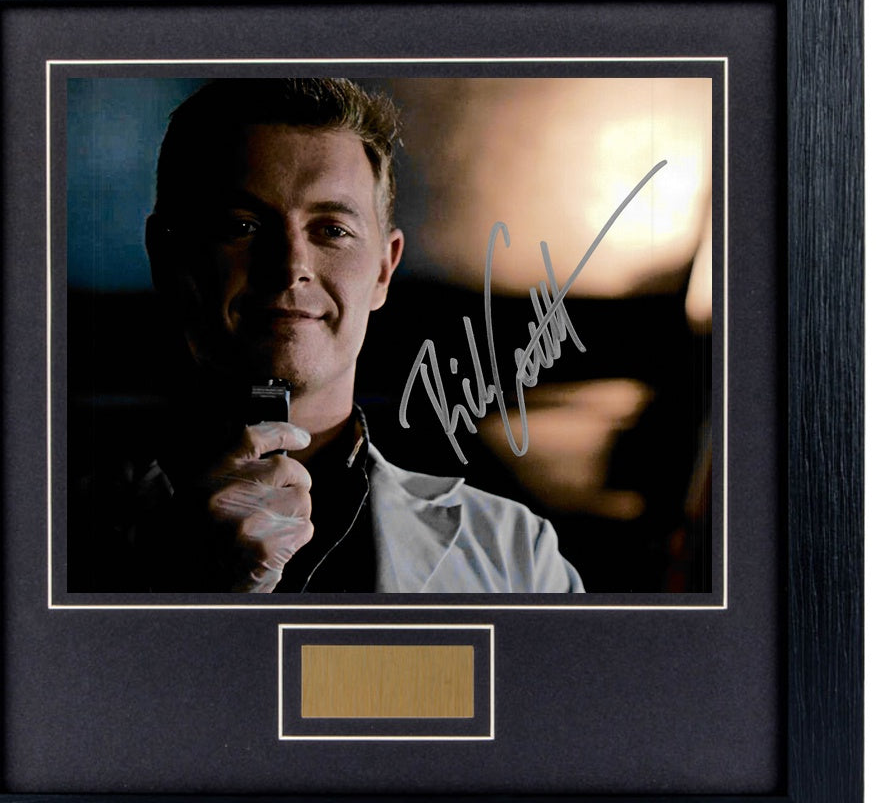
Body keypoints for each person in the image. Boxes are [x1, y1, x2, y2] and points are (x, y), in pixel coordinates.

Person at [80, 78, 583, 594]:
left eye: (332, 230)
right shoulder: (54, 535)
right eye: (242, 226)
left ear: (384, 270)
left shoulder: (515, 555)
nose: (290, 267)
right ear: (167, 258)